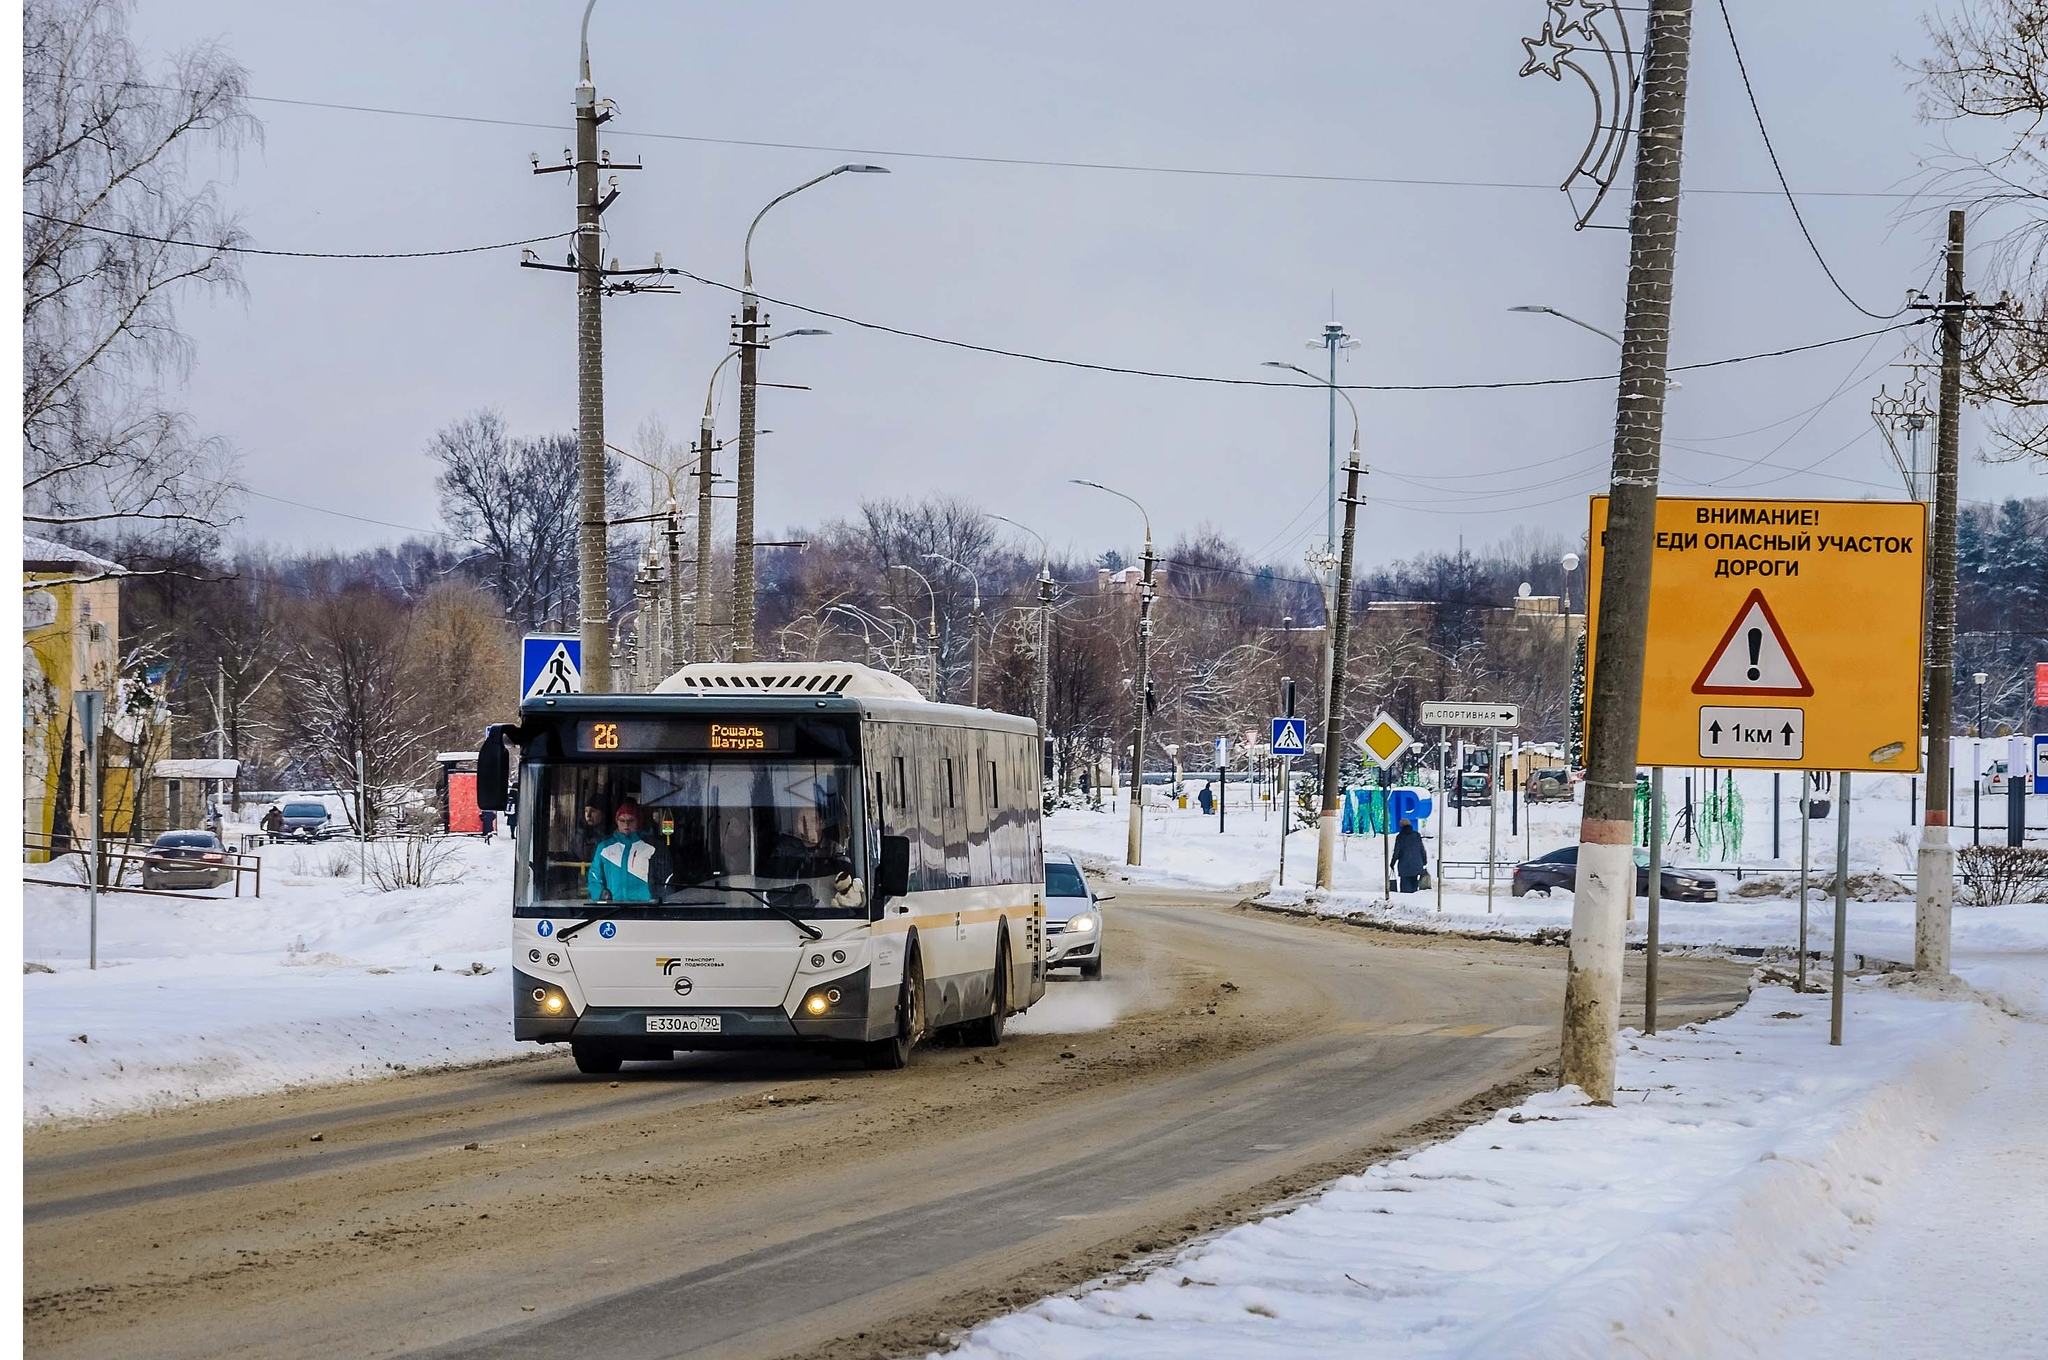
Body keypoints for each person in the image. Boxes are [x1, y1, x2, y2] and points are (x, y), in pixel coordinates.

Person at [588, 800, 664, 902]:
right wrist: (600, 894)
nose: (626, 824)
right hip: (611, 912)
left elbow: (664, 882)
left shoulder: (652, 848)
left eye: (631, 820)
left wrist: (659, 905)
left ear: (638, 821)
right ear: (617, 821)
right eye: (622, 821)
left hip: (646, 912)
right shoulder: (604, 848)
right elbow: (594, 878)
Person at [1393, 817, 1428, 894]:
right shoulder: (1416, 835)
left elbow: (1397, 851)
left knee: (1405, 887)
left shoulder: (1400, 836)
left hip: (1405, 866)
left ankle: (1406, 901)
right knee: (1414, 885)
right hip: (1416, 864)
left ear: (1401, 826)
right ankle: (1413, 901)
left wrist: (1392, 863)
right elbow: (1422, 849)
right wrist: (1424, 861)